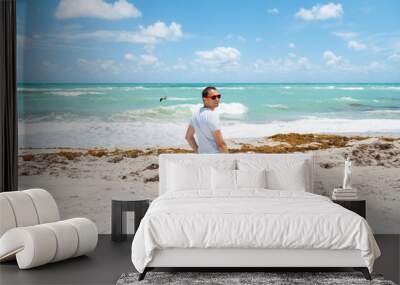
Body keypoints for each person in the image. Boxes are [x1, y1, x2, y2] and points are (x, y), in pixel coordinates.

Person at [185, 86, 228, 153]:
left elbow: (188, 137)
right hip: (215, 157)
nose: (217, 99)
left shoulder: (195, 114)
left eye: (218, 96)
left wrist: (198, 152)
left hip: (203, 158)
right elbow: (221, 144)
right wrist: (227, 160)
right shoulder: (212, 115)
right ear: (204, 99)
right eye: (213, 97)